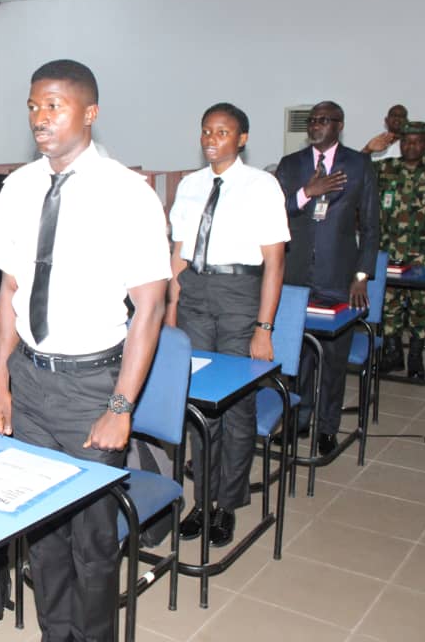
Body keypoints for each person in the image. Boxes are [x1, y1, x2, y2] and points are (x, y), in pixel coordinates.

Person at [0, 60, 169, 641]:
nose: (41, 118)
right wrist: (1, 384)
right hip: (31, 381)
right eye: (33, 106)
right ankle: (54, 634)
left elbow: (150, 307)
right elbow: (12, 291)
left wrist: (120, 409)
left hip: (93, 387)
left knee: (92, 541)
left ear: (89, 113)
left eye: (54, 106)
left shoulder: (127, 193)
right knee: (41, 530)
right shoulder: (17, 188)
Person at [166, 103, 288, 547]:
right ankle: (203, 499)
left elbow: (275, 263)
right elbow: (179, 254)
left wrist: (264, 327)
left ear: (242, 138)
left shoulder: (262, 185)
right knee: (197, 402)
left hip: (240, 296)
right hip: (196, 292)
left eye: (223, 131)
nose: (212, 139)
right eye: (206, 131)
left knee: (236, 408)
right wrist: (170, 316)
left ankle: (227, 505)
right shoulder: (191, 186)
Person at [274, 101, 378, 457]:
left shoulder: (360, 165)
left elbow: (371, 226)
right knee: (296, 354)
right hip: (296, 275)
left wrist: (362, 275)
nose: (316, 125)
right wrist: (307, 194)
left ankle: (328, 428)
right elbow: (274, 214)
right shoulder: (291, 165)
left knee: (334, 359)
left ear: (339, 125)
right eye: (312, 120)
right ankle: (298, 421)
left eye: (324, 120)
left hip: (339, 277)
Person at [375, 121, 425, 379]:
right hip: (388, 249)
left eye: (417, 141)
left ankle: (416, 357)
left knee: (421, 306)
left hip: (423, 252)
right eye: (407, 141)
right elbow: (354, 174)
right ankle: (393, 353)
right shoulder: (384, 169)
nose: (411, 146)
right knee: (389, 305)